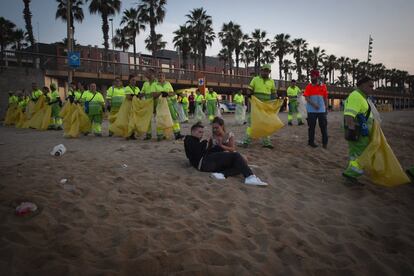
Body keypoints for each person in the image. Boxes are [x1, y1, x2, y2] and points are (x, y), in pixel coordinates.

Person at [184, 122, 267, 186]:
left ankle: (221, 174)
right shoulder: (189, 139)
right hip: (203, 162)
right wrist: (205, 142)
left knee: (240, 165)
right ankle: (250, 177)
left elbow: (205, 151)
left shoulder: (197, 142)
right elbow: (196, 151)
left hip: (206, 163)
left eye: (202, 132)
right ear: (192, 132)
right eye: (199, 132)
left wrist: (220, 148)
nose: (201, 134)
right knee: (235, 155)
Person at [342, 76, 374, 180]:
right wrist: (352, 131)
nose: (372, 88)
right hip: (358, 131)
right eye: (370, 85)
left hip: (361, 130)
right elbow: (349, 114)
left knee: (356, 153)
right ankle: (351, 174)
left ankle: (351, 173)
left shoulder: (362, 96)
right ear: (362, 85)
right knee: (359, 153)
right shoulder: (356, 96)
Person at [242, 64, 276, 149]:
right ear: (261, 71)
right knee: (251, 123)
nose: (265, 72)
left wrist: (274, 101)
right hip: (256, 105)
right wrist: (249, 93)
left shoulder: (271, 81)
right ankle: (246, 141)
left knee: (266, 123)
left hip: (266, 106)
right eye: (264, 70)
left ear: (269, 72)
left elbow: (273, 93)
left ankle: (266, 142)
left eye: (267, 71)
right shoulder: (255, 79)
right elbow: (249, 89)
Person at [303, 70, 328, 148]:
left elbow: (325, 97)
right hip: (311, 110)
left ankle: (325, 143)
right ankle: (311, 142)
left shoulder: (323, 86)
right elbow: (306, 98)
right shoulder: (309, 86)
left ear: (317, 76)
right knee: (311, 127)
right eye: (311, 76)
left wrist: (326, 107)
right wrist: (314, 105)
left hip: (321, 111)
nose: (311, 77)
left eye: (313, 76)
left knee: (323, 127)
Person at [157, 72, 184, 140]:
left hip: (169, 103)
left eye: (162, 76)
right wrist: (160, 93)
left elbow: (172, 93)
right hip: (160, 105)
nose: (161, 77)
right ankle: (160, 135)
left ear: (164, 77)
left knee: (174, 117)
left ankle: (177, 133)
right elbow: (153, 94)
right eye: (159, 76)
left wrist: (167, 94)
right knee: (161, 119)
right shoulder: (155, 84)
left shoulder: (168, 84)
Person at [140, 69, 162, 140]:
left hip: (157, 101)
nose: (146, 74)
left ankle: (160, 135)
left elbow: (160, 92)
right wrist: (138, 95)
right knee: (148, 119)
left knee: (158, 118)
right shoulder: (145, 83)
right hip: (148, 102)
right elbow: (142, 92)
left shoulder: (158, 82)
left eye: (147, 73)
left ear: (152, 74)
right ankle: (148, 134)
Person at [124, 75, 141, 139]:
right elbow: (128, 97)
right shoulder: (127, 88)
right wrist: (136, 96)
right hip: (128, 106)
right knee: (128, 120)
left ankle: (132, 134)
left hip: (135, 106)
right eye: (133, 80)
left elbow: (139, 96)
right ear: (129, 81)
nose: (134, 81)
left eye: (135, 80)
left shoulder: (137, 88)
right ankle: (128, 134)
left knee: (134, 120)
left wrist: (135, 96)